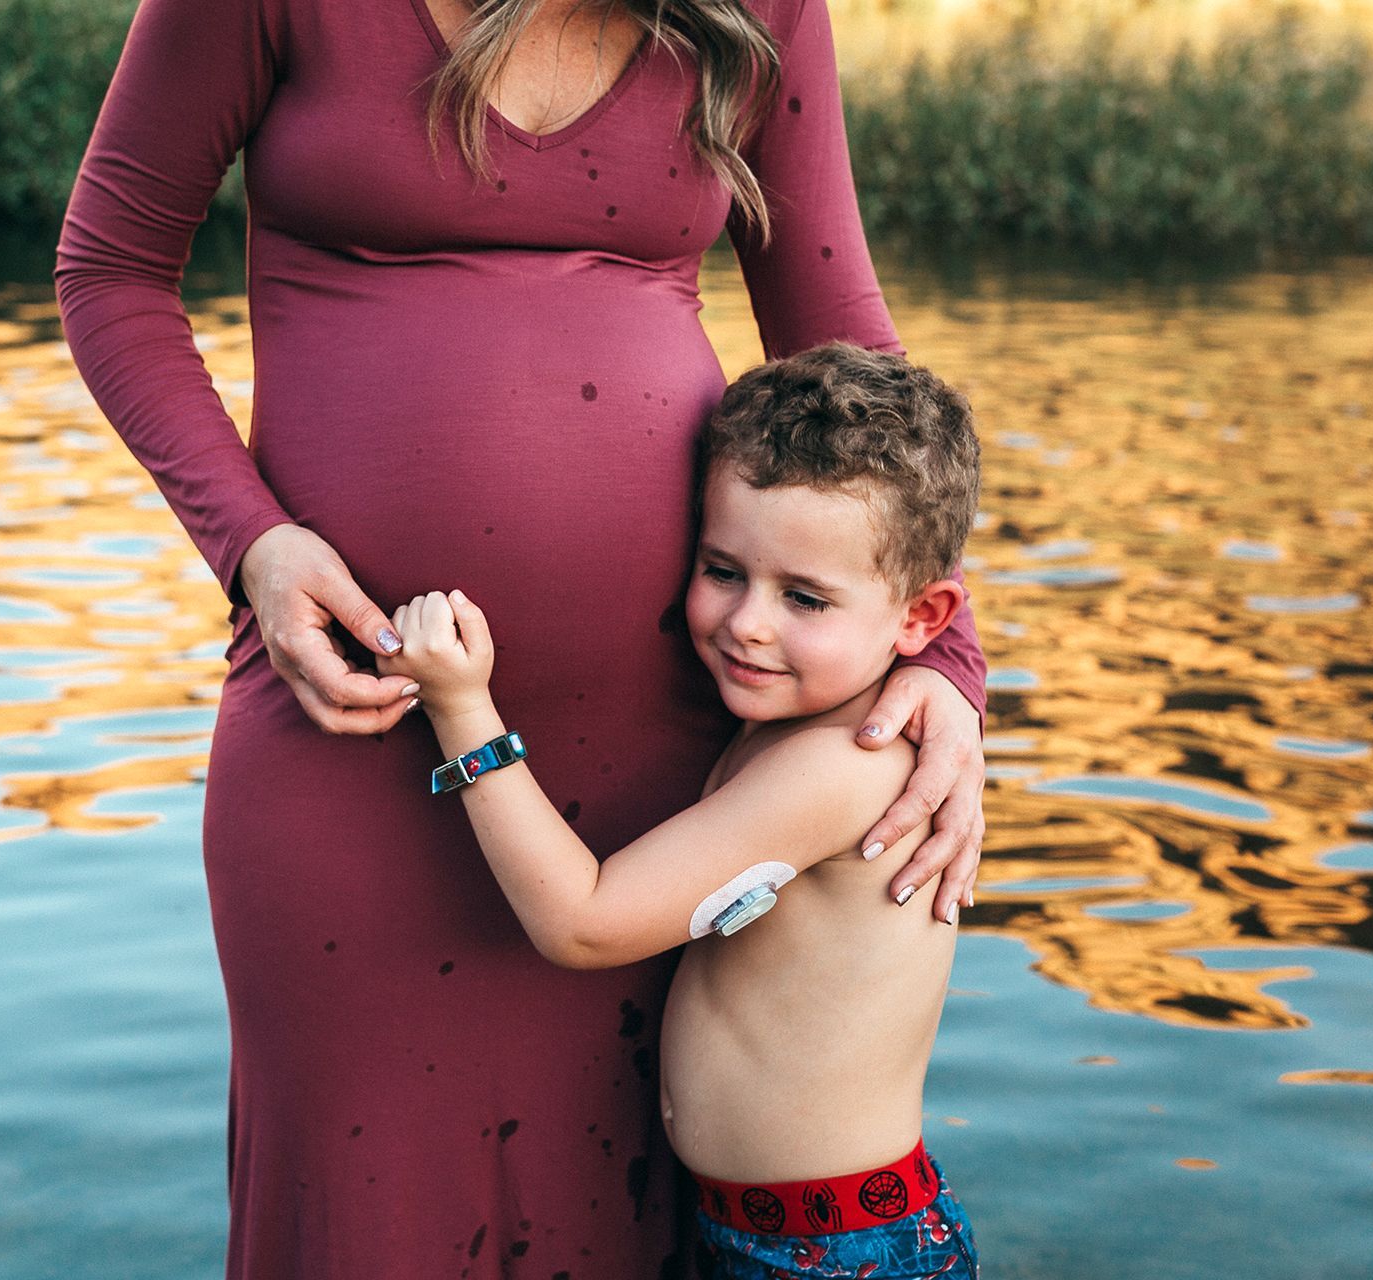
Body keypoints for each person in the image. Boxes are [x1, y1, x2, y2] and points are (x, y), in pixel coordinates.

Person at [53, 0, 990, 1272]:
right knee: (361, 1215)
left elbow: (842, 333)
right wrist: (253, 546)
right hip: (355, 729)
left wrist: (941, 661)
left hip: (669, 767)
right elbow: (109, 268)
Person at [383, 342, 981, 1279]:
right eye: (723, 569)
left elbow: (583, 924)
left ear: (921, 618)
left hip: (838, 1255)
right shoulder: (796, 719)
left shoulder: (845, 764)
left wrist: (462, 708)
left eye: (806, 597)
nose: (748, 622)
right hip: (770, 1237)